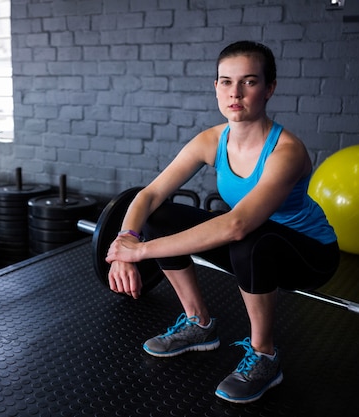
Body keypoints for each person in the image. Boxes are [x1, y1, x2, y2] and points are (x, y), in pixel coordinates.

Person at [105, 40, 340, 404]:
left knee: (250, 238)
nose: (236, 92)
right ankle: (198, 324)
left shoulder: (286, 152)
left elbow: (238, 225)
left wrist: (140, 253)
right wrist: (125, 242)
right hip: (250, 239)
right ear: (215, 86)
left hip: (308, 253)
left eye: (249, 81)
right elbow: (148, 196)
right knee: (161, 216)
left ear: (269, 88)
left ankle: (264, 355)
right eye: (226, 82)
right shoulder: (212, 140)